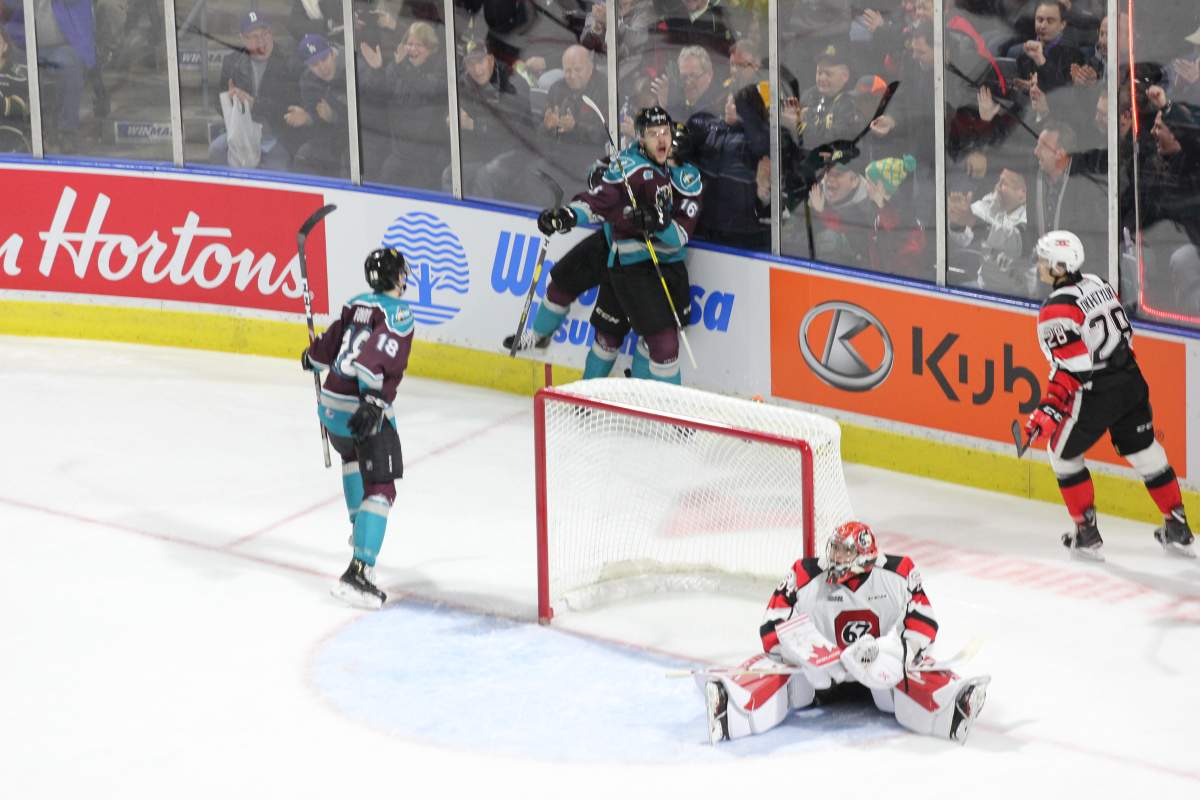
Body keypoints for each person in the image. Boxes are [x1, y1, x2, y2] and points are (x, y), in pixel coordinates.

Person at [702, 521, 991, 745]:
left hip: (878, 674)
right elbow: (770, 628)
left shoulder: (898, 573)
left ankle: (955, 705)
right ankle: (731, 706)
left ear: (864, 553)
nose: (836, 556)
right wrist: (805, 652)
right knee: (776, 670)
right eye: (835, 548)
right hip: (821, 678)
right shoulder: (804, 575)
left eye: (845, 550)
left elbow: (923, 622)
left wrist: (892, 651)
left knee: (915, 667)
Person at [1022, 231, 1195, 560]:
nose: (1040, 265)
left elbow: (1075, 367)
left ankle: (1086, 533)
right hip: (1131, 379)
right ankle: (1177, 524)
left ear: (1060, 266)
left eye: (1045, 261)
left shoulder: (1055, 309)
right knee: (1145, 451)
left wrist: (1049, 408)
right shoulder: (1097, 282)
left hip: (1097, 391)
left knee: (1061, 455)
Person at [517, 106, 702, 384]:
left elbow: (678, 234)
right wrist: (569, 214)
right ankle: (585, 390)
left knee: (658, 342)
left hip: (655, 265)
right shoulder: (629, 165)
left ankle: (649, 404)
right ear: (642, 138)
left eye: (666, 135)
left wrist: (655, 221)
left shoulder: (686, 180)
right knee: (605, 329)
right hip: (617, 251)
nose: (663, 142)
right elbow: (599, 197)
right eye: (655, 135)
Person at [301, 248, 414, 608]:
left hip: (331, 407)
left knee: (351, 458)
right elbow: (374, 359)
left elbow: (324, 351)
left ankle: (358, 530)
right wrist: (371, 401)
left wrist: (311, 356)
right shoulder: (398, 313)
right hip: (359, 406)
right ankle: (359, 571)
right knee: (381, 489)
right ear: (398, 278)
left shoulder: (355, 303)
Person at [212, 11, 301, 171]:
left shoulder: (289, 62)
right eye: (253, 36)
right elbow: (218, 103)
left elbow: (288, 106)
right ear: (243, 39)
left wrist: (253, 104)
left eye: (265, 34)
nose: (261, 41)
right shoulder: (231, 62)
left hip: (276, 136)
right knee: (216, 149)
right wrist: (230, 101)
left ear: (271, 34)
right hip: (243, 135)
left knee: (277, 174)